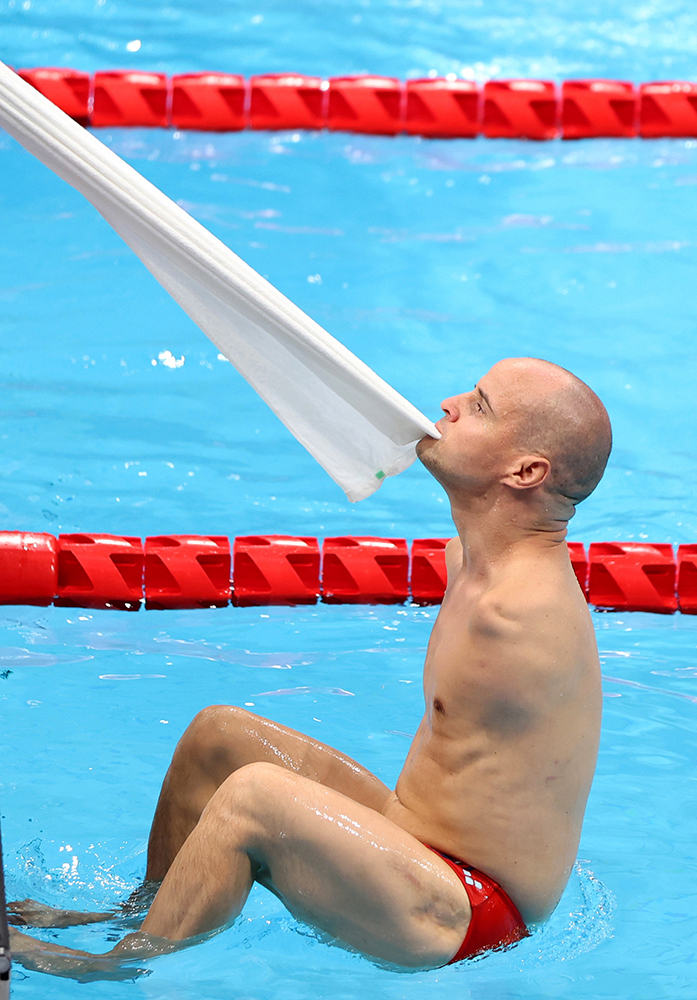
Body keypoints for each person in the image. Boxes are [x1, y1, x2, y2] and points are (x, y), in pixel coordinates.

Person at [9, 357, 612, 982]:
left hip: (469, 909)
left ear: (527, 471)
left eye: (479, 406)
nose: (450, 402)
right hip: (418, 842)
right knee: (218, 738)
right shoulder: (480, 558)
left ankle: (115, 969)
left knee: (255, 796)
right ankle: (138, 916)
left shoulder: (521, 614)